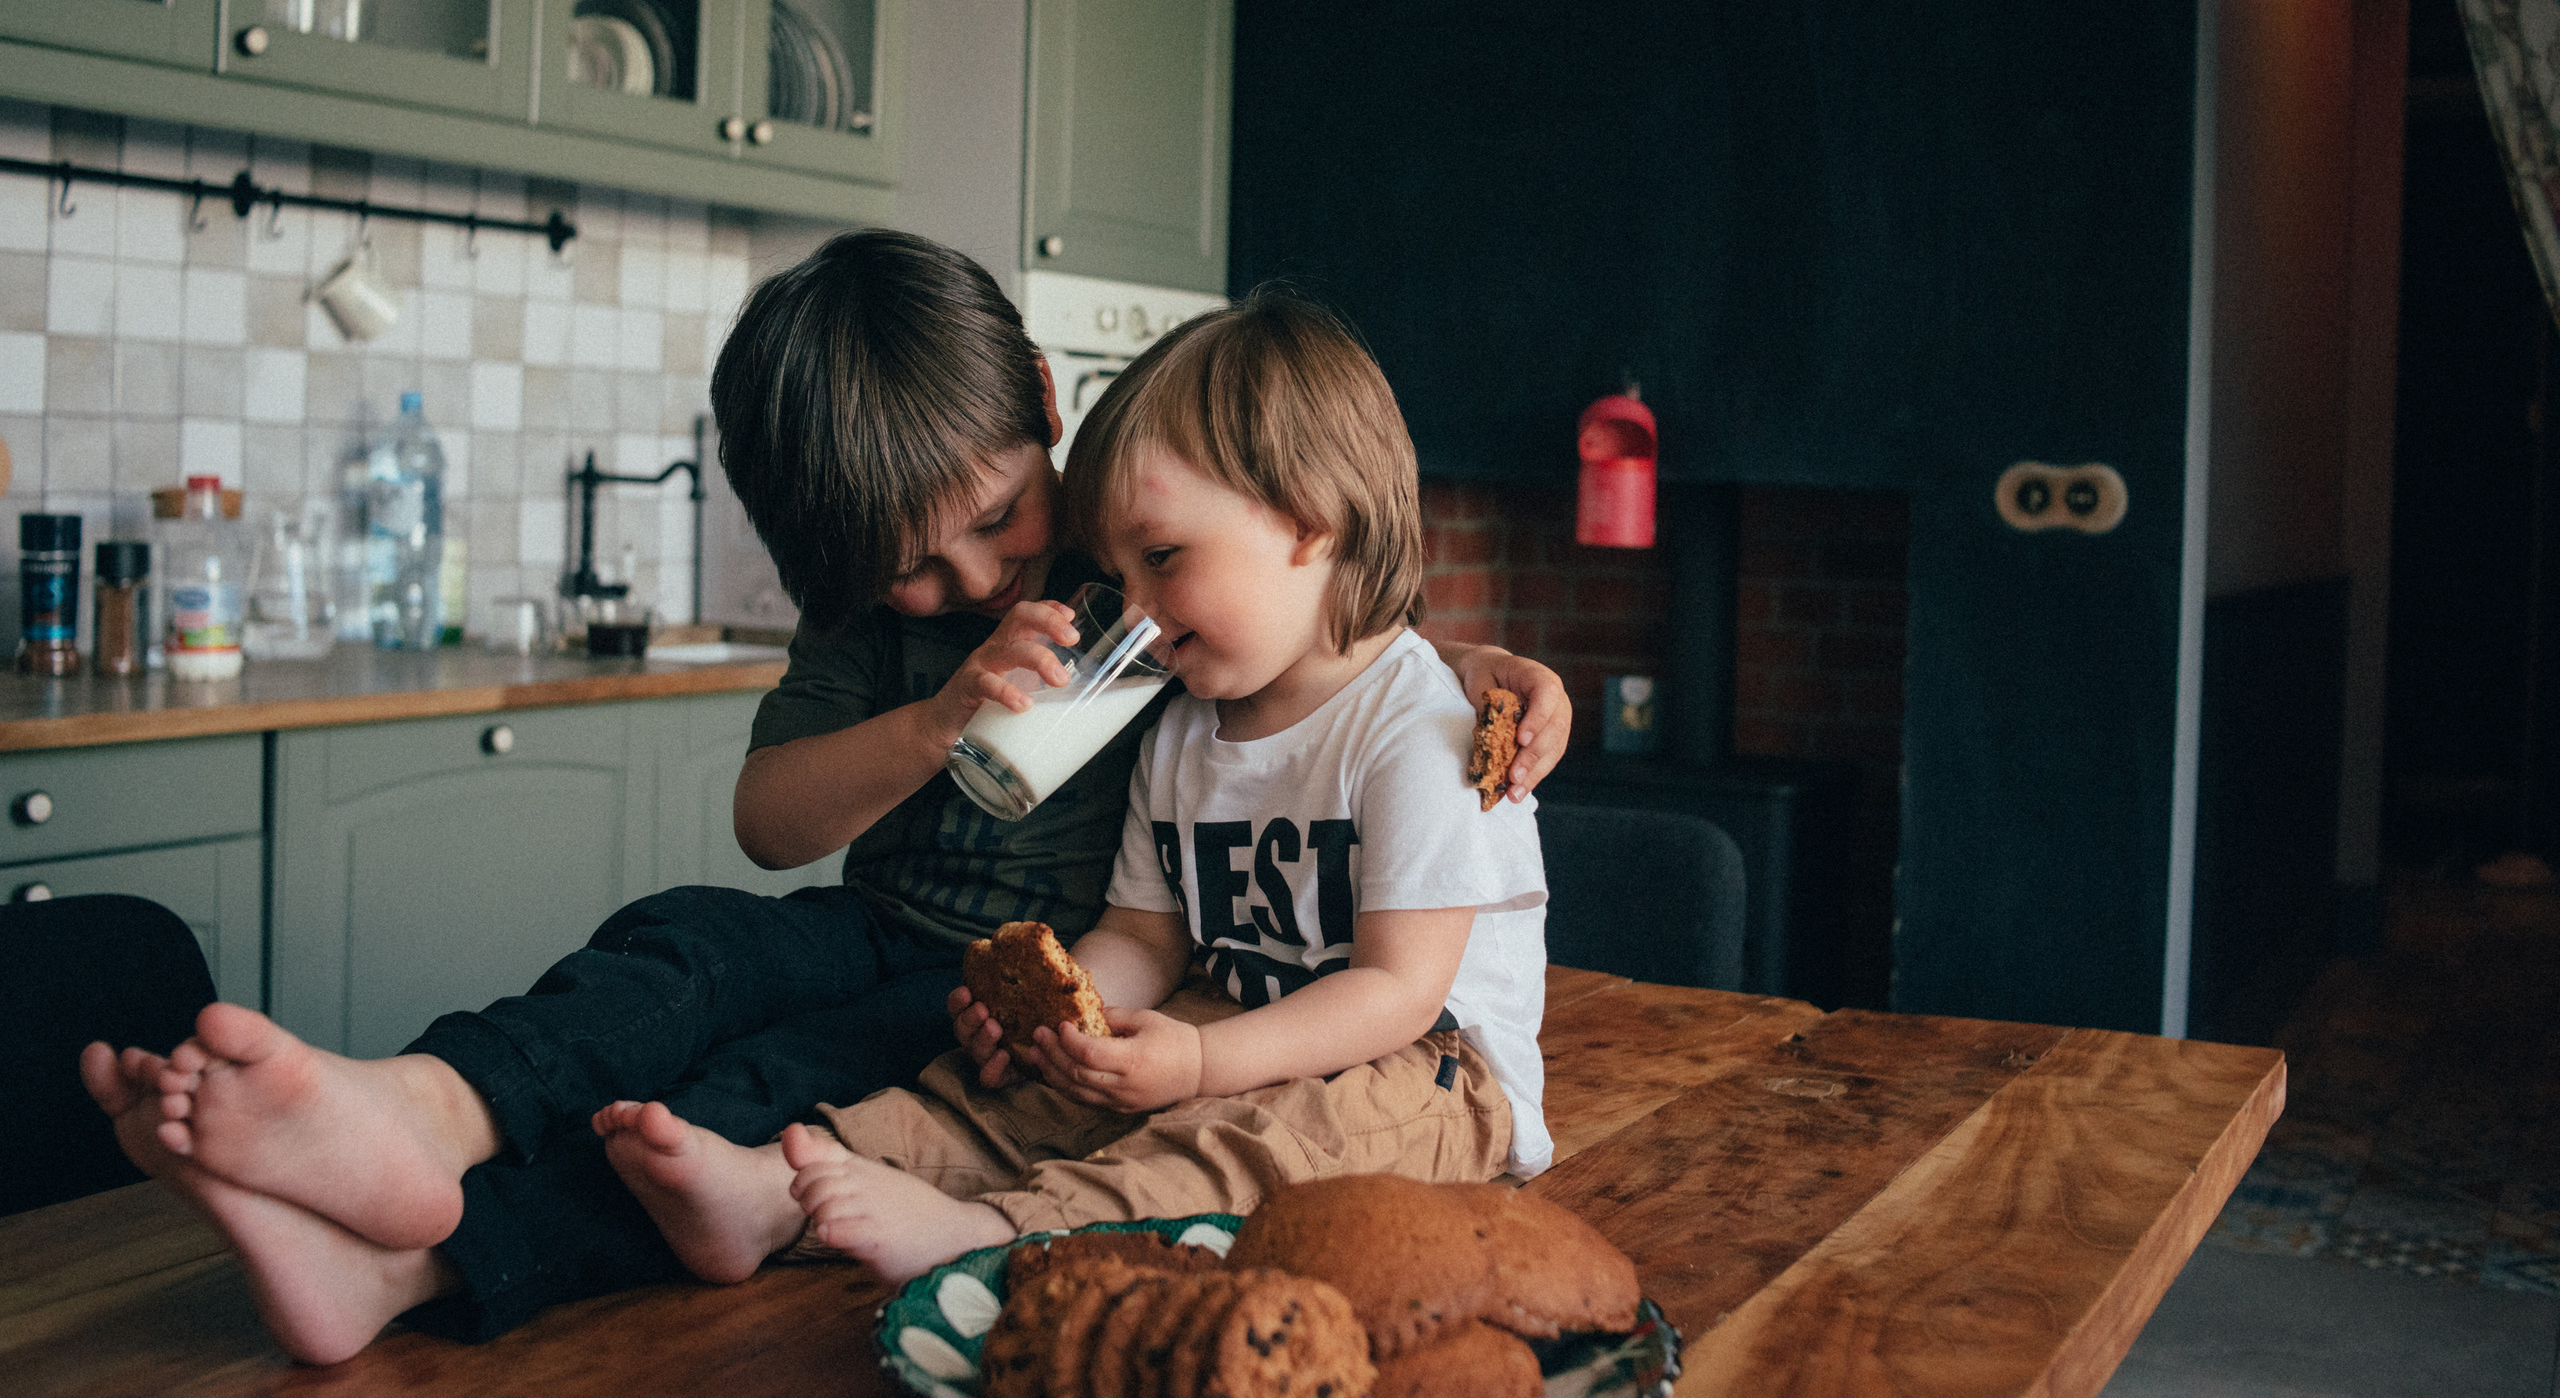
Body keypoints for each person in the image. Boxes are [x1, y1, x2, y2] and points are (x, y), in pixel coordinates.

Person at [78, 231, 1572, 1365]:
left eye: (996, 522)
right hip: (904, 930)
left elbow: (1324, 648)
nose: (982, 579)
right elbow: (773, 823)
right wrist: (936, 712)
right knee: (687, 943)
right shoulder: (957, 618)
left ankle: (425, 1264)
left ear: (1045, 409)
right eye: (918, 564)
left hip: (1031, 999)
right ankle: (420, 1104)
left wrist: (1479, 668)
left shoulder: (1140, 584)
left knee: (767, 1089)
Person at [582, 288, 1549, 1290]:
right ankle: (778, 1193)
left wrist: (1203, 1066)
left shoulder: (1417, 730)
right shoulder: (1178, 724)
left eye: (1162, 559)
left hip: (1427, 1073)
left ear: (1309, 520)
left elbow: (1398, 991)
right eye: (1120, 573)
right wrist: (1062, 1024)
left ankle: (985, 1231)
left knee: (1238, 1145)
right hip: (1231, 1016)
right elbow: (1141, 935)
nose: (1132, 612)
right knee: (1015, 1096)